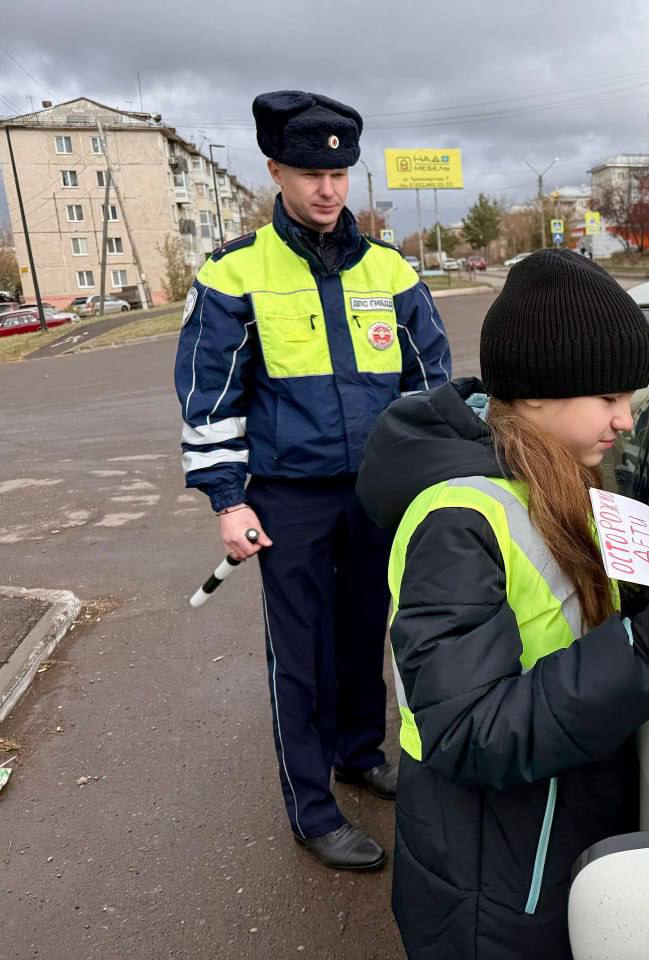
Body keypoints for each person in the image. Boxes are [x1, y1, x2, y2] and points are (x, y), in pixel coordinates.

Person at [356, 249, 649, 959]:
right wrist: (642, 652)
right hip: (493, 888)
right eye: (608, 398)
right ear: (534, 394)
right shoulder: (458, 520)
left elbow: (553, 622)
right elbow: (466, 729)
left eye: (630, 400)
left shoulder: (558, 479)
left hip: (543, 845)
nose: (625, 421)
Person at [174, 90, 452, 871]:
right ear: (276, 171)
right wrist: (229, 501)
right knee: (300, 654)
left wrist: (432, 478)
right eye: (308, 172)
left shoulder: (391, 270)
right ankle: (311, 807)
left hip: (376, 491)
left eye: (339, 172)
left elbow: (431, 382)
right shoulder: (236, 273)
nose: (327, 189)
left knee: (368, 631)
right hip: (288, 497)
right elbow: (209, 396)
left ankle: (359, 753)